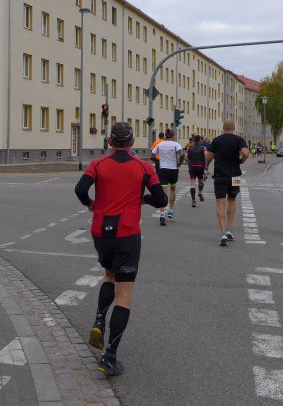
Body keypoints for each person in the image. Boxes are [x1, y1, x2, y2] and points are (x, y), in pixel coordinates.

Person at [75, 122, 166, 376]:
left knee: (109, 275)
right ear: (132, 142)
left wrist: (90, 203)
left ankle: (99, 319)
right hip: (127, 233)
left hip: (101, 232)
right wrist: (144, 198)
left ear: (110, 142)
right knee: (124, 294)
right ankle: (110, 357)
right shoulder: (143, 167)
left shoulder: (98, 164)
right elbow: (161, 199)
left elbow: (80, 189)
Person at [205, 120, 250, 247]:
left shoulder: (216, 140)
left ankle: (223, 232)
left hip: (220, 176)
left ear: (223, 128)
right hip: (235, 176)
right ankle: (229, 229)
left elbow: (208, 157)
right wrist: (241, 160)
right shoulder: (239, 140)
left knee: (220, 202)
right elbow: (246, 153)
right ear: (234, 128)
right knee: (232, 200)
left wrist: (206, 167)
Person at [151, 129, 183, 224]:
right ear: (172, 136)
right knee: (173, 189)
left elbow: (152, 155)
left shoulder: (160, 144)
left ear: (165, 136)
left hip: (163, 169)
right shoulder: (176, 144)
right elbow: (182, 154)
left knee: (163, 192)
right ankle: (171, 210)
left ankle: (162, 213)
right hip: (173, 169)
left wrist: (159, 160)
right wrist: (179, 162)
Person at [186, 135, 207, 207]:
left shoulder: (189, 148)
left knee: (192, 184)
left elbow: (186, 157)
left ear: (193, 140)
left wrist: (189, 162)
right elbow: (206, 157)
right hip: (200, 166)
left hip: (192, 167)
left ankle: (193, 201)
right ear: (200, 140)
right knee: (201, 180)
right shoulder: (203, 148)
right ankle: (200, 192)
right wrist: (205, 167)